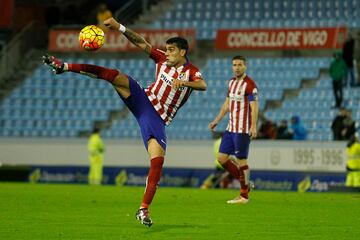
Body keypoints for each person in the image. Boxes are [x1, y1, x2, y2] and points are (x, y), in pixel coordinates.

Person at [42, 17, 207, 227]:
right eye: (166, 49)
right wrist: (119, 27)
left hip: (157, 118)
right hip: (143, 99)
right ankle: (64, 66)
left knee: (157, 161)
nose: (167, 53)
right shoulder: (162, 60)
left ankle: (143, 209)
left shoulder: (191, 71)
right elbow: (141, 43)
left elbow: (203, 85)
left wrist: (183, 82)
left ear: (182, 52)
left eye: (172, 49)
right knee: (113, 75)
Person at [208, 55, 258, 204]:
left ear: (245, 66)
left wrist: (253, 126)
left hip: (242, 129)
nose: (237, 67)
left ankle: (244, 196)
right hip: (230, 128)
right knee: (221, 158)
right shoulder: (231, 83)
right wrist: (216, 120)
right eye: (234, 65)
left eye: (240, 65)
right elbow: (226, 104)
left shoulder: (250, 85)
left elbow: (254, 107)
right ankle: (246, 183)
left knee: (241, 160)